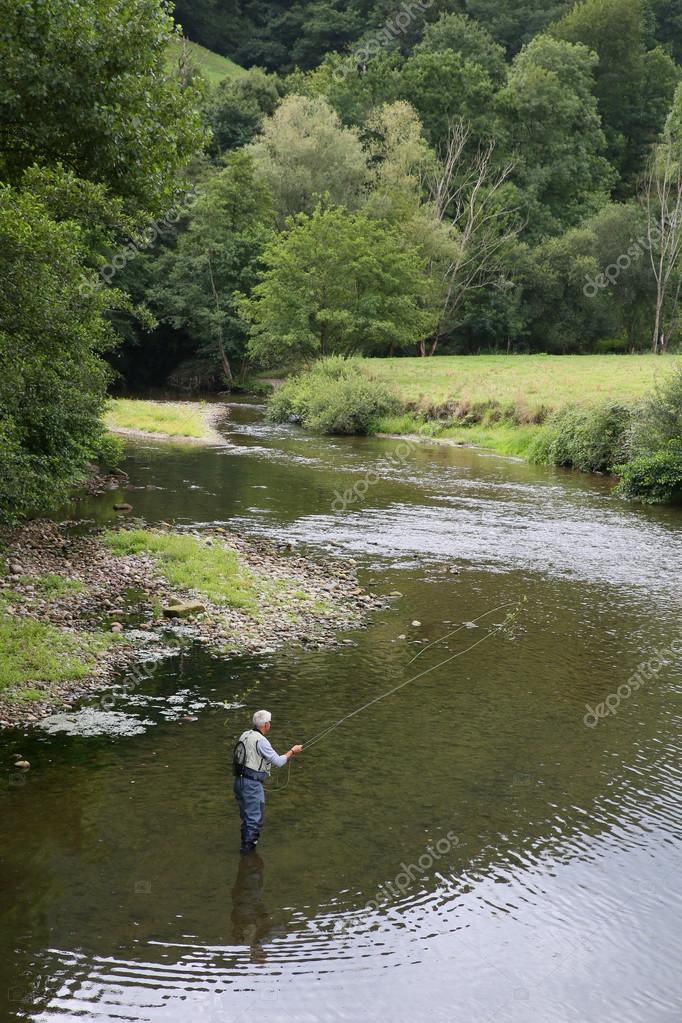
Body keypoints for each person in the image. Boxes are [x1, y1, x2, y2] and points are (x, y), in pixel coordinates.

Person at [233, 710, 302, 854]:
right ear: (265, 725)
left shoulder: (245, 735)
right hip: (251, 785)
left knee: (246, 818)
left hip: (239, 782)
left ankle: (245, 850)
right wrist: (292, 751)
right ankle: (248, 854)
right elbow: (278, 761)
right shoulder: (261, 741)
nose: (270, 724)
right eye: (269, 722)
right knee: (254, 820)